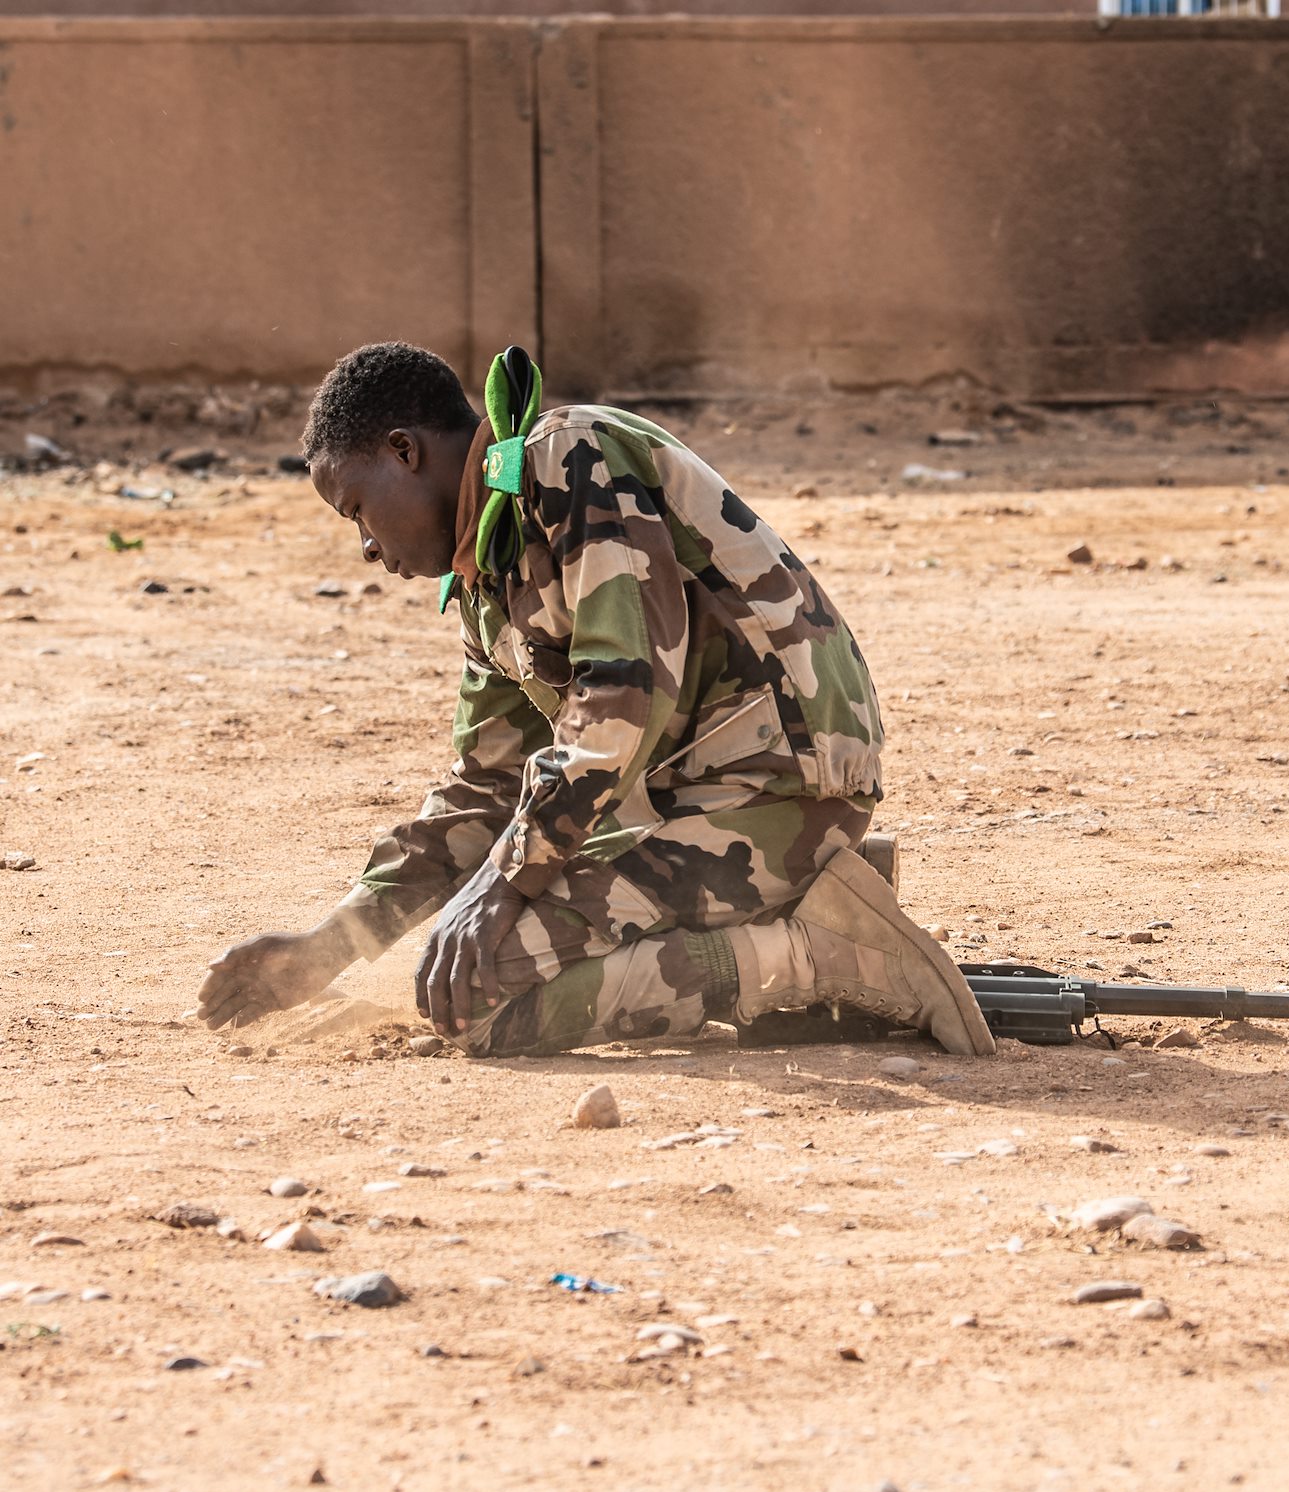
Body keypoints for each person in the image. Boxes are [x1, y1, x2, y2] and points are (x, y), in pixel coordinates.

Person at [196, 341, 992, 1058]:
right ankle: (795, 896)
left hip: (780, 784)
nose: (368, 548)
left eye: (357, 512)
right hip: (699, 807)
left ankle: (822, 953)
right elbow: (483, 788)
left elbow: (623, 692)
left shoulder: (564, 459)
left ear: (404, 451)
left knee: (486, 1001)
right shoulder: (484, 576)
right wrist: (325, 950)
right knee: (472, 972)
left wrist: (505, 883)